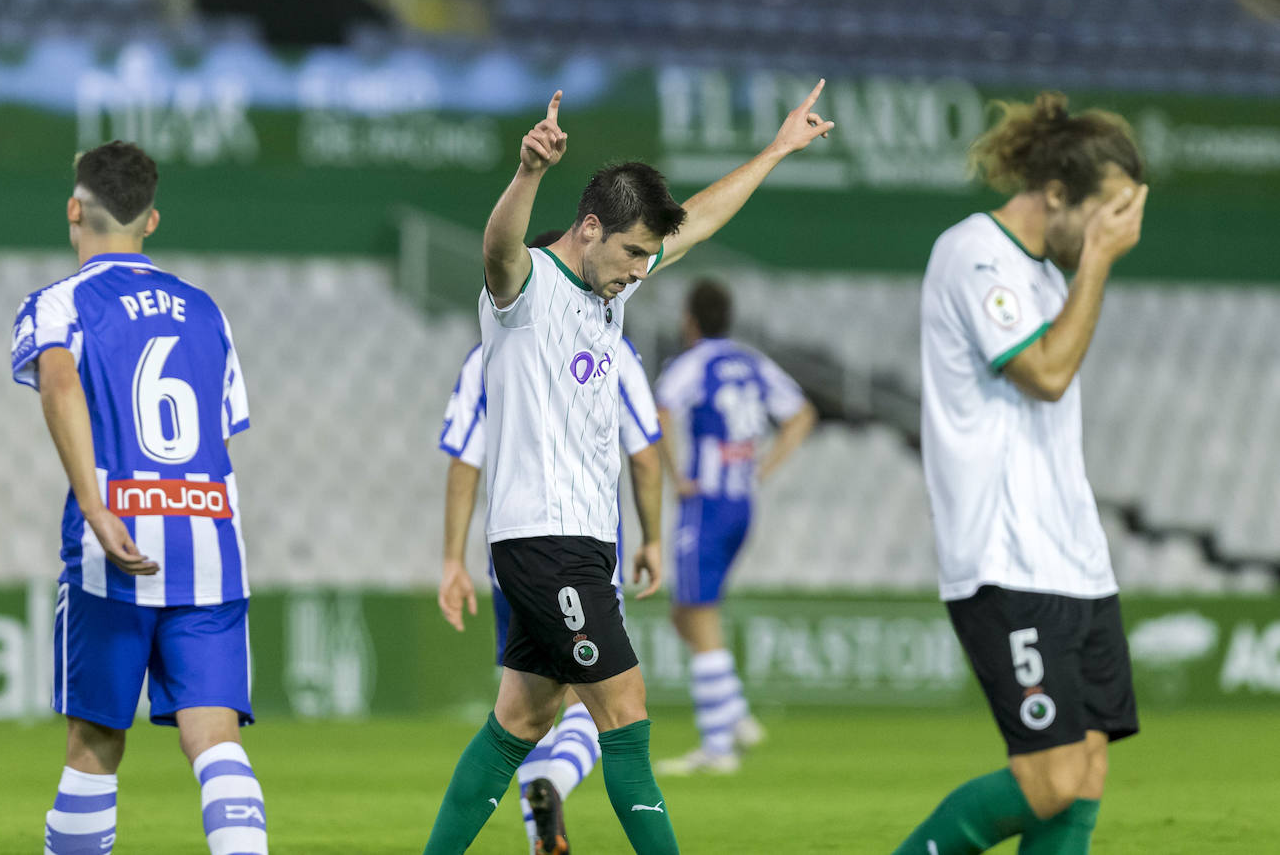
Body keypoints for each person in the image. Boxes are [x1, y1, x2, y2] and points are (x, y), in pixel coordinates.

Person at [421, 80, 833, 855]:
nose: (642, 270)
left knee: (521, 721)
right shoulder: (527, 289)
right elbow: (496, 250)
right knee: (628, 714)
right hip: (547, 543)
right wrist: (527, 172)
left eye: (649, 255)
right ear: (588, 230)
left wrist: (775, 150)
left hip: (579, 545)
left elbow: (701, 220)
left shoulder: (608, 291)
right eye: (633, 252)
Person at [892, 91, 1148, 854]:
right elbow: (1044, 371)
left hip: (1075, 558)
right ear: (1058, 194)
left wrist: (1087, 259)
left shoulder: (1045, 276)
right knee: (1048, 779)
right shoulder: (973, 252)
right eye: (1108, 216)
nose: (1116, 235)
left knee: (1086, 773)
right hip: (1005, 558)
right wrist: (1098, 262)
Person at [12, 141, 267, 855]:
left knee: (94, 743)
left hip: (114, 539)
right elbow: (223, 430)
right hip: (210, 540)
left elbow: (59, 383)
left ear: (75, 208)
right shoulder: (205, 311)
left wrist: (95, 507)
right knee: (214, 743)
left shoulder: (59, 303)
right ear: (151, 219)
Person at [438, 269, 664, 852]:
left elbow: (465, 458)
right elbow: (644, 451)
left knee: (523, 715)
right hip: (574, 556)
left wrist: (452, 559)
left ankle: (543, 825)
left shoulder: (483, 354)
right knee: (615, 710)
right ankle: (553, 783)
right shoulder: (612, 345)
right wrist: (653, 536)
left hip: (511, 562)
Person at [652, 278, 815, 776]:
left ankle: (719, 746)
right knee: (687, 615)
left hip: (705, 504)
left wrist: (675, 473)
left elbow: (659, 408)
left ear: (690, 320)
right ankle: (734, 713)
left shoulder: (695, 364)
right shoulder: (750, 361)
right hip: (743, 502)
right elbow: (802, 414)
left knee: (697, 617)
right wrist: (764, 466)